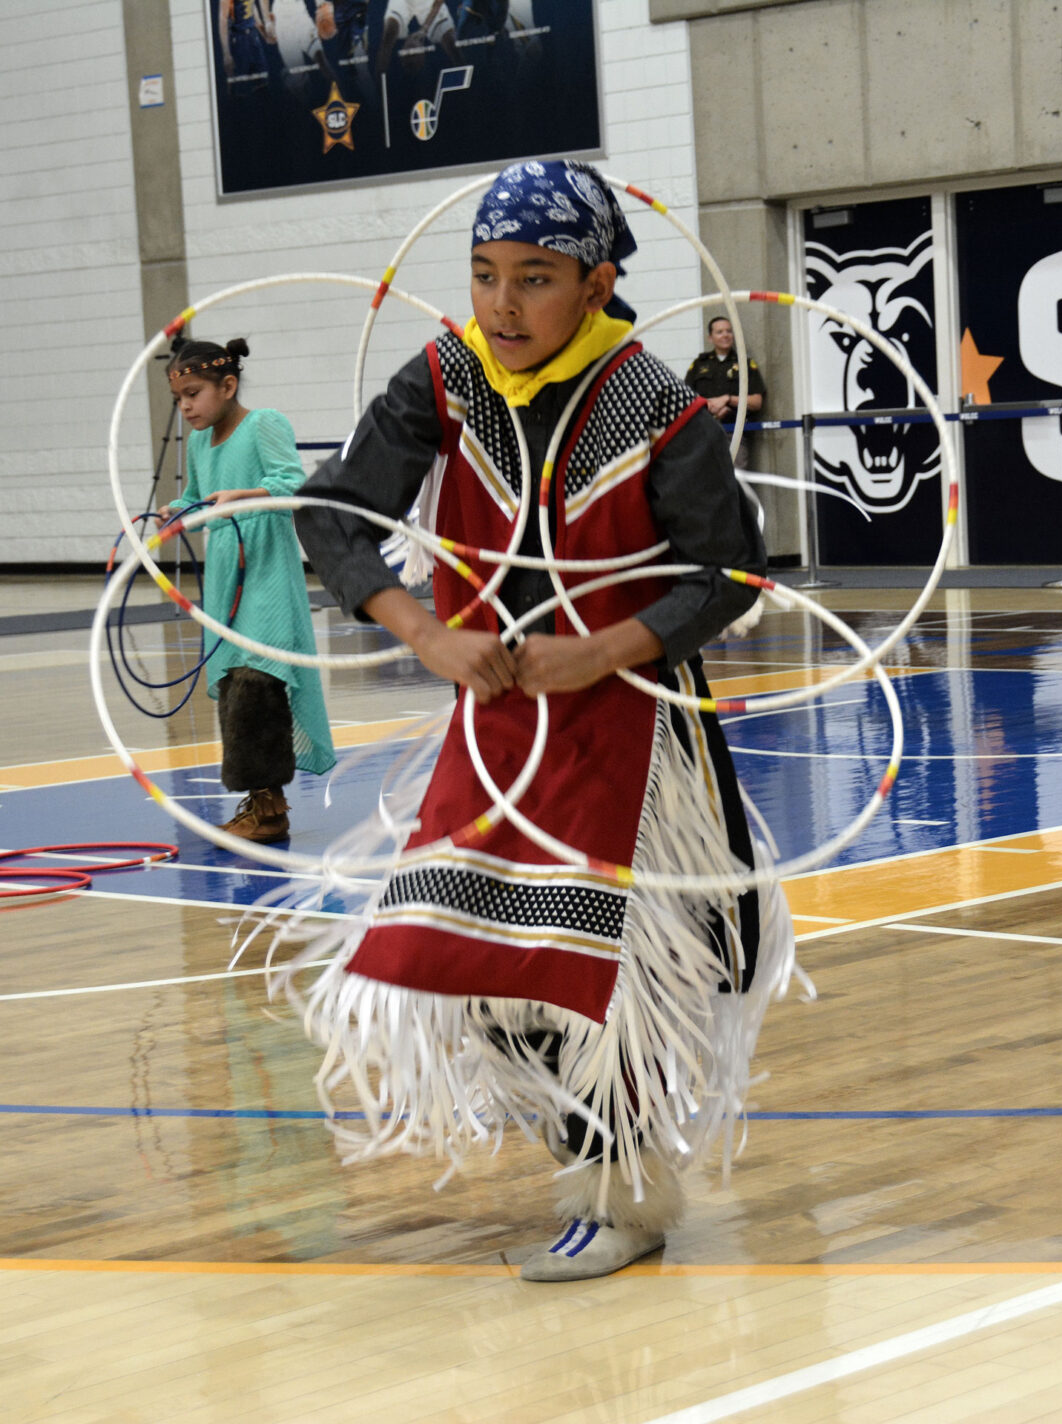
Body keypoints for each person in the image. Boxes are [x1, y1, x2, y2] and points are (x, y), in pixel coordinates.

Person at [289, 159, 794, 1281]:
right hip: (494, 726)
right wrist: (422, 631)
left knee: (604, 981)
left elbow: (729, 573)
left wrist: (602, 649)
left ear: (598, 279)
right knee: (477, 960)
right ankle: (584, 1164)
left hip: (633, 730)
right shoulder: (447, 377)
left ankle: (622, 1195)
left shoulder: (656, 402)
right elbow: (329, 517)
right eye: (483, 276)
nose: (503, 305)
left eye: (535, 277)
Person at [161, 338, 335, 843]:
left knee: (259, 682)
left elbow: (295, 486)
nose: (186, 406)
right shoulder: (197, 444)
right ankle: (264, 804)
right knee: (237, 686)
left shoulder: (265, 425)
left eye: (193, 393)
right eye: (179, 399)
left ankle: (269, 811)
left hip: (267, 576)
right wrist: (181, 510)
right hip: (225, 579)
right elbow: (200, 502)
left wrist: (247, 496)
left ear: (228, 385)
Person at [684, 315, 767, 469]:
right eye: (720, 332)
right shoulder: (699, 364)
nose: (725, 335)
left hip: (734, 434)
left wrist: (728, 399)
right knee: (706, 482)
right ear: (710, 337)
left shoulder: (745, 363)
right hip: (704, 433)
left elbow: (756, 402)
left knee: (737, 482)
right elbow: (685, 400)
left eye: (729, 331)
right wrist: (709, 407)